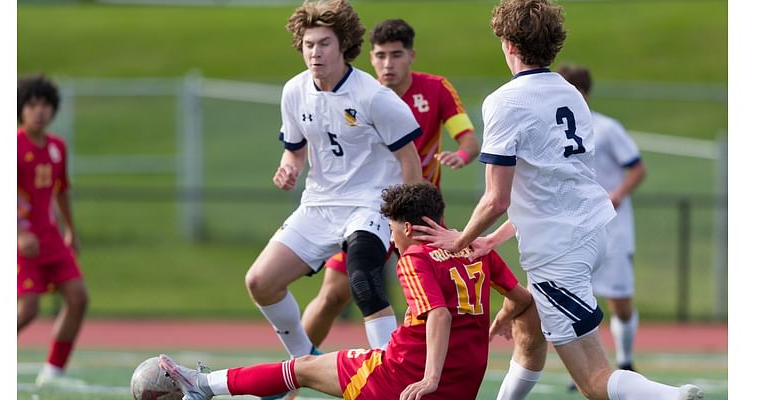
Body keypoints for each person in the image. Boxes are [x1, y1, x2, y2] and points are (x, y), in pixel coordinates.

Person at [411, 1, 703, 399]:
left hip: (560, 248)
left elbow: (497, 198)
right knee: (528, 329)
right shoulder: (571, 93)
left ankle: (671, 397)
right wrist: (491, 241)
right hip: (594, 230)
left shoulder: (504, 101)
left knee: (594, 382)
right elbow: (545, 188)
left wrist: (458, 242)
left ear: (509, 44)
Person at [160, 182, 536, 400]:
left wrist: (429, 377)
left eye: (391, 228)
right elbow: (520, 298)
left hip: (403, 377)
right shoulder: (473, 249)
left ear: (407, 228)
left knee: (302, 368)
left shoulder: (415, 259)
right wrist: (500, 317)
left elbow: (438, 315)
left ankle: (203, 385)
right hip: (464, 383)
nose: (390, 236)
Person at [243, 2, 422, 396]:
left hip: (372, 203)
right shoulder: (294, 91)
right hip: (319, 204)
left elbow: (410, 161)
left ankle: (391, 379)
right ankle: (303, 361)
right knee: (260, 281)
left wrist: (407, 222)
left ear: (344, 47)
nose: (315, 52)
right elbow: (294, 150)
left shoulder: (375, 97)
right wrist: (289, 166)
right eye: (308, 44)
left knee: (361, 278)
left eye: (324, 43)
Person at [301, 18, 481, 349]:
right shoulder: (360, 93)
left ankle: (430, 374)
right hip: (365, 210)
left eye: (396, 55)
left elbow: (469, 139)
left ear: (411, 56)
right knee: (332, 295)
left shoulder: (435, 89)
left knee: (433, 299)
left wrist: (461, 156)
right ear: (370, 57)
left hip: (419, 216)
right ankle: (292, 375)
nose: (388, 64)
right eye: (381, 55)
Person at [557, 64, 647, 374]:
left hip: (613, 225)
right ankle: (589, 368)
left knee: (620, 301)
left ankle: (625, 360)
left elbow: (637, 168)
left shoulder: (607, 128)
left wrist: (618, 193)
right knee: (578, 297)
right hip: (577, 226)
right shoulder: (553, 128)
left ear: (585, 93)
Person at [17, 74, 89, 386]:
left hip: (51, 238)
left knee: (78, 298)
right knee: (28, 308)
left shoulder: (58, 147)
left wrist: (71, 230)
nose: (39, 111)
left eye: (45, 104)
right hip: (22, 240)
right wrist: (19, 232)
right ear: (20, 110)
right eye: (31, 104)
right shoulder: (12, 146)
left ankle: (53, 373)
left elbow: (61, 191)